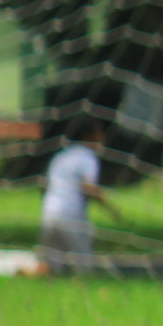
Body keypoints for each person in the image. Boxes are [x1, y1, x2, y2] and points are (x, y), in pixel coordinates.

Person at [39, 117, 119, 274]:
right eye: (99, 134)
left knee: (49, 264)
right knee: (84, 264)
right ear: (88, 136)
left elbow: (43, 184)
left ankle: (26, 273)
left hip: (49, 211)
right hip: (71, 214)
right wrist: (111, 209)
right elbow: (89, 187)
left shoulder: (61, 156)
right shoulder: (87, 157)